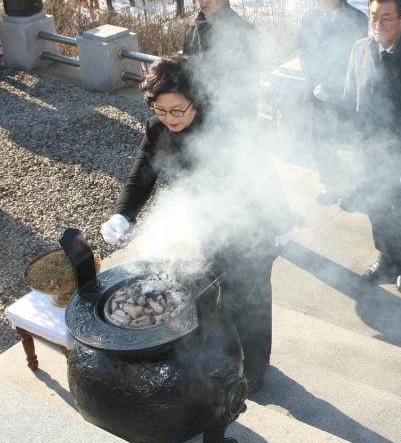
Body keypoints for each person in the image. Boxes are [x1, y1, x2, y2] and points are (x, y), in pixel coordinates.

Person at [100, 55, 290, 393]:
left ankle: (256, 371)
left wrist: (281, 222)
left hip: (251, 232)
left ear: (197, 100)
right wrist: (122, 214)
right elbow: (142, 174)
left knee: (251, 305)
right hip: (205, 229)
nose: (169, 119)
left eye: (177, 110)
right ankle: (228, 362)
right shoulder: (158, 127)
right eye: (160, 110)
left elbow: (263, 177)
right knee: (216, 301)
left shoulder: (226, 128)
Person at [341, 0, 401, 290]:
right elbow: (351, 99)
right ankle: (385, 258)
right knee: (377, 207)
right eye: (373, 18)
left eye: (386, 18)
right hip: (369, 150)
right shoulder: (358, 49)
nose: (378, 24)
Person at [296, 0, 367, 206]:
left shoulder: (356, 18)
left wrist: (332, 84)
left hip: (343, 93)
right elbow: (304, 53)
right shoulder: (309, 18)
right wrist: (314, 82)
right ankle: (331, 184)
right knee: (322, 143)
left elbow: (356, 59)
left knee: (345, 143)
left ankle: (350, 188)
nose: (322, 0)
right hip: (316, 92)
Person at [182, 0, 260, 124]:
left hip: (234, 110)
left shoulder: (243, 29)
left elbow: (250, 76)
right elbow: (187, 65)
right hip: (199, 106)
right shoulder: (191, 26)